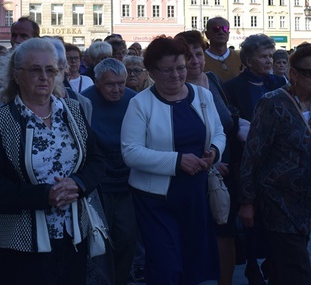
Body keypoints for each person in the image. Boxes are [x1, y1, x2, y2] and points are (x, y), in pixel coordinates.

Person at [0, 37, 104, 284]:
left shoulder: (73, 111)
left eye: (50, 70)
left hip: (72, 233)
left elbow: (97, 161)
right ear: (16, 75)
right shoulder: (0, 122)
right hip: (22, 241)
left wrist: (78, 183)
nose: (44, 77)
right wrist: (43, 196)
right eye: (35, 70)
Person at [121, 36, 225, 285]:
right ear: (153, 72)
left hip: (195, 194)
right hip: (156, 200)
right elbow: (130, 152)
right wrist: (177, 161)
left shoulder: (202, 95)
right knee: (165, 267)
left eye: (181, 67)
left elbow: (219, 132)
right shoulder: (140, 103)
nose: (177, 75)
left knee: (194, 264)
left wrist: (214, 151)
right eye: (167, 70)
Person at [238, 44, 311, 285]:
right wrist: (246, 202)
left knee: (282, 267)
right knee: (298, 270)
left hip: (308, 202)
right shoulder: (273, 103)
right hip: (278, 202)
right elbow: (252, 155)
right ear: (294, 74)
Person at [223, 33, 286, 284]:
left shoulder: (280, 82)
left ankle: (272, 261)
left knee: (275, 216)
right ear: (248, 59)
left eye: (271, 55)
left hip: (278, 161)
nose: (269, 60)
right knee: (251, 216)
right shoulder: (233, 87)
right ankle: (250, 263)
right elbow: (232, 123)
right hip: (248, 161)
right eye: (263, 56)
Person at [176, 30, 238, 285]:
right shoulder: (176, 90)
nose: (194, 61)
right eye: (187, 56)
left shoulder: (212, 79)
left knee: (226, 232)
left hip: (223, 172)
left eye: (198, 54)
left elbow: (225, 119)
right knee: (195, 237)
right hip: (194, 172)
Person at [81, 58, 138, 285]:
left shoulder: (134, 100)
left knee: (127, 237)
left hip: (128, 180)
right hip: (97, 182)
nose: (117, 90)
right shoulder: (84, 101)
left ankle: (122, 278)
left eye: (121, 83)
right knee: (99, 240)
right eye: (110, 84)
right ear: (97, 82)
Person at [203, 17, 243, 82]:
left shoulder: (240, 57)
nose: (221, 32)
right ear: (207, 34)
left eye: (225, 29)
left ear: (228, 33)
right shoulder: (200, 60)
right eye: (216, 29)